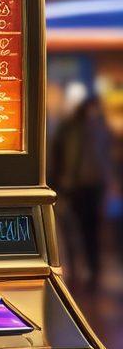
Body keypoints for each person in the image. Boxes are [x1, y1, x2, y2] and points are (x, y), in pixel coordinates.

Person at [50, 95, 114, 293]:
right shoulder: (72, 129)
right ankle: (80, 271)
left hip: (92, 187)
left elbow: (105, 159)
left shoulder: (99, 130)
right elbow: (59, 157)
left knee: (90, 231)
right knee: (74, 231)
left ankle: (92, 272)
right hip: (75, 187)